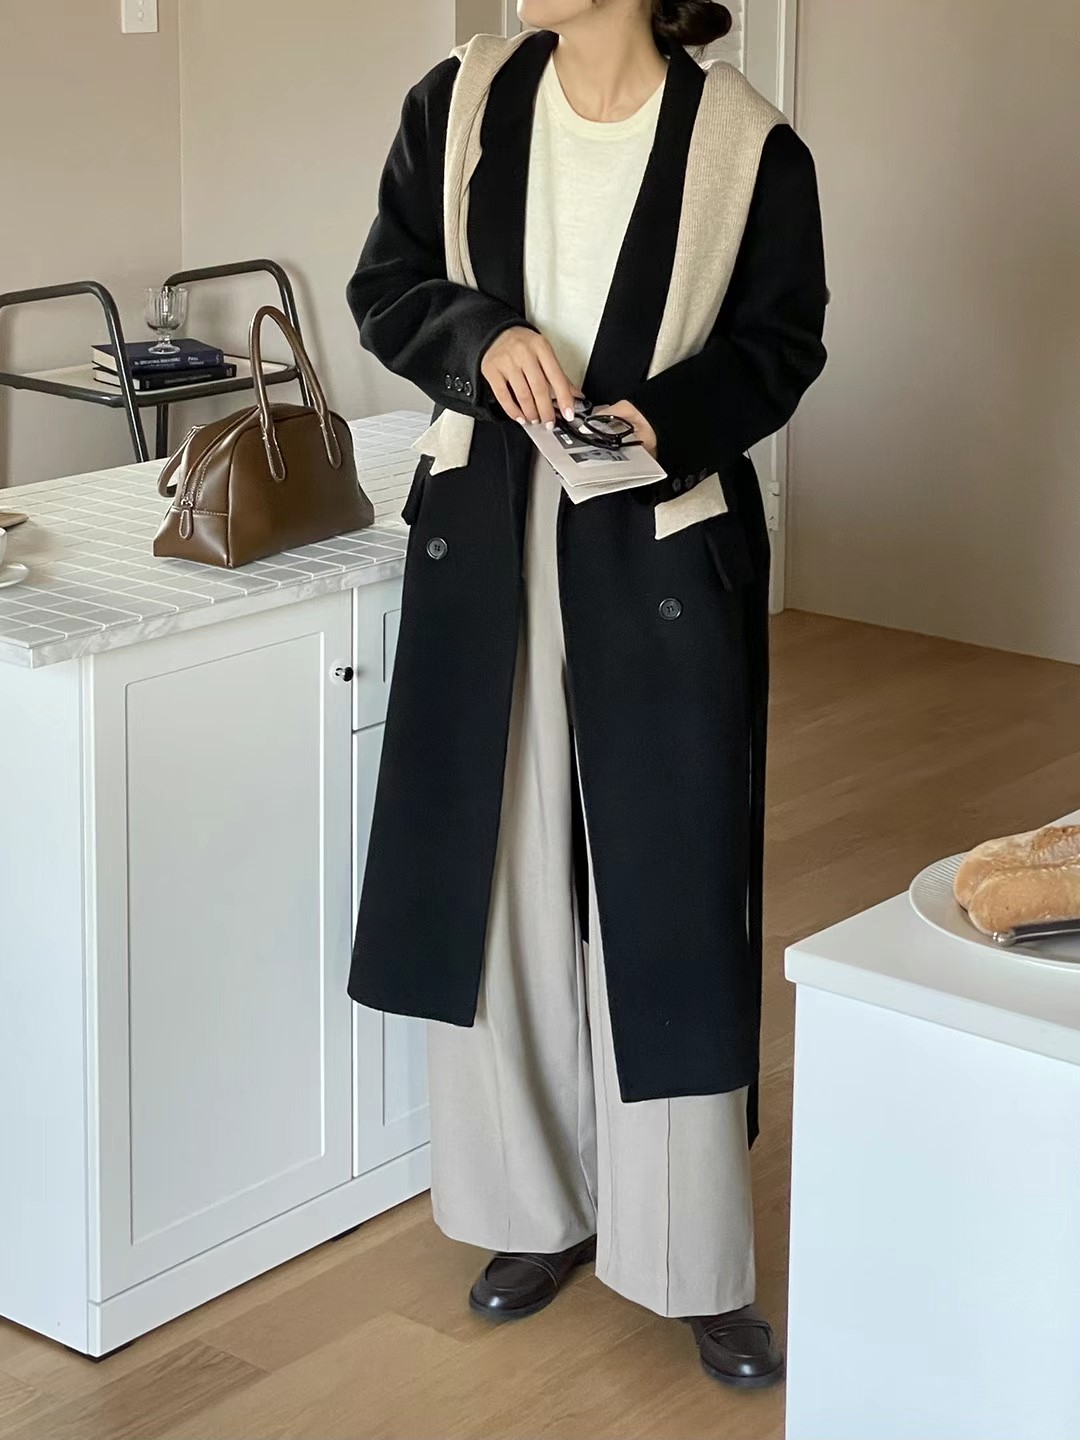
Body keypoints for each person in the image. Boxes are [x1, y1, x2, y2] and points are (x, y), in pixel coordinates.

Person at [346, 0, 827, 1389]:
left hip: (657, 547)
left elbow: (781, 343)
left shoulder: (748, 146)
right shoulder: (459, 101)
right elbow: (387, 281)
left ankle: (692, 1260)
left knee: (670, 889)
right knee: (495, 875)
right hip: (485, 534)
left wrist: (663, 419)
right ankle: (529, 1212)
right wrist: (481, 333)